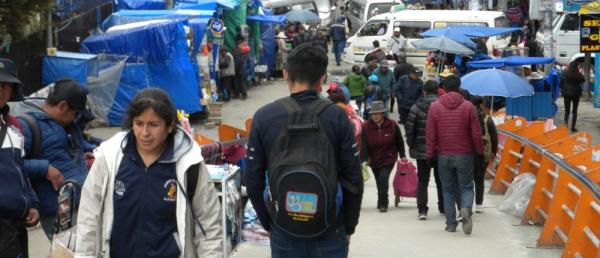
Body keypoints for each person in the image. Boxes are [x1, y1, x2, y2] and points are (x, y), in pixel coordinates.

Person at [246, 44, 364, 258]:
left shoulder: (264, 117)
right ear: (322, 78)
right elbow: (353, 179)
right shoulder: (337, 117)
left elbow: (253, 181)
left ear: (285, 74)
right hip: (330, 228)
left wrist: (270, 224)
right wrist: (349, 226)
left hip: (284, 228)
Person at [77, 88, 221, 256]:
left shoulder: (189, 164)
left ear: (169, 126)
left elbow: (209, 226)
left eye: (153, 125)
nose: (145, 133)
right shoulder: (109, 158)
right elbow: (88, 219)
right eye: (139, 123)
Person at [14, 78, 93, 238]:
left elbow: (78, 147)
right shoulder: (28, 126)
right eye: (76, 113)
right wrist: (44, 168)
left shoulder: (68, 125)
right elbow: (12, 164)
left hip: (83, 203)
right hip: (56, 211)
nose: (76, 118)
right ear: (63, 106)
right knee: (69, 253)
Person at [426, 76, 483, 235]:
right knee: (466, 186)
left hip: (444, 154)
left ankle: (451, 224)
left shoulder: (435, 107)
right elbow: (476, 134)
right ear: (459, 87)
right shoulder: (468, 107)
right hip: (464, 154)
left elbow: (431, 134)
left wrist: (430, 154)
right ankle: (465, 209)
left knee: (448, 189)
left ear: (443, 87)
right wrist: (479, 152)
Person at [0, 59, 40, 258]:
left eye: (5, 85)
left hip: (17, 222)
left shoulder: (15, 125)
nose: (0, 90)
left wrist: (31, 202)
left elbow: (20, 169)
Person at [405, 80, 444, 220]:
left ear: (424, 91)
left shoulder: (416, 107)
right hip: (440, 150)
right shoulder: (443, 106)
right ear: (438, 90)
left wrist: (412, 145)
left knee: (422, 180)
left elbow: (410, 130)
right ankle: (443, 206)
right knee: (441, 180)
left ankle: (422, 209)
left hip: (422, 150)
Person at [362, 101, 407, 212]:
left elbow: (399, 141)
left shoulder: (392, 125)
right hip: (373, 159)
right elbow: (364, 145)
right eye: (373, 114)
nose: (376, 116)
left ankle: (383, 203)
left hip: (388, 158)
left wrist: (403, 155)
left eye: (378, 113)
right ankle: (380, 199)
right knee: (379, 180)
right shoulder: (366, 127)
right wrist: (363, 160)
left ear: (383, 113)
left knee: (383, 177)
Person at [471, 96, 498, 213]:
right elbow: (494, 137)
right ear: (482, 105)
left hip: (469, 152)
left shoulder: (468, 117)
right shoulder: (488, 119)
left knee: (467, 179)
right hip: (484, 153)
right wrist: (494, 152)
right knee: (479, 179)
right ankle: (478, 204)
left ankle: (466, 202)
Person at [560, 61, 585, 132]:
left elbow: (561, 83)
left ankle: (565, 124)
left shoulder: (565, 73)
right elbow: (583, 81)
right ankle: (573, 127)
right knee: (574, 111)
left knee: (567, 110)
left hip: (566, 94)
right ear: (577, 67)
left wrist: (563, 88)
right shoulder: (579, 74)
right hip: (576, 94)